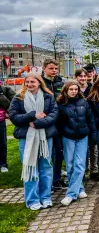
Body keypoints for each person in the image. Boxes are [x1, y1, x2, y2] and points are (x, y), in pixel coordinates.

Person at [9, 73, 58, 210]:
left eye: (33, 82)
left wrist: (38, 123)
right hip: (26, 138)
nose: (29, 84)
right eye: (27, 82)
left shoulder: (49, 97)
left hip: (45, 137)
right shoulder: (18, 98)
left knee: (46, 167)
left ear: (39, 83)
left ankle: (46, 197)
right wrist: (32, 115)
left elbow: (54, 115)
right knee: (30, 168)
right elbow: (13, 117)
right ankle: (32, 199)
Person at [56, 80, 97, 206]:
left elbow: (90, 119)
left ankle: (70, 194)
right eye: (71, 89)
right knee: (70, 165)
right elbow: (59, 124)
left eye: (76, 89)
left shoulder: (83, 103)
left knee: (79, 164)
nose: (74, 92)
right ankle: (80, 189)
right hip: (68, 137)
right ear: (66, 91)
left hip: (82, 137)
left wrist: (93, 134)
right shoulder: (61, 105)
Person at [41, 59, 67, 191]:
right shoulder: (40, 84)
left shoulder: (60, 83)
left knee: (59, 151)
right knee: (46, 153)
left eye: (56, 69)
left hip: (59, 123)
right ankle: (46, 181)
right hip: (45, 124)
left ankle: (56, 179)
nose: (54, 71)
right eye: (51, 68)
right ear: (44, 68)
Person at [75, 68, 99, 181]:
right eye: (80, 76)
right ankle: (83, 171)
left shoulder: (92, 88)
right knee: (82, 149)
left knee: (93, 147)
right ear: (76, 77)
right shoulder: (74, 89)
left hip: (92, 121)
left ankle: (94, 170)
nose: (83, 78)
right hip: (79, 123)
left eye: (85, 76)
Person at [0, 82, 16, 172]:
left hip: (0, 120)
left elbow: (14, 102)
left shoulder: (4, 89)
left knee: (2, 143)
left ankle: (3, 164)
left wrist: (8, 112)